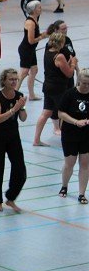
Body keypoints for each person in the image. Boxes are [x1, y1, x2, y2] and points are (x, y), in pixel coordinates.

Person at [0, 69, 28, 212]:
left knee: (20, 169)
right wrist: (13, 109)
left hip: (13, 136)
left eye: (16, 79)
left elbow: (23, 118)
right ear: (4, 81)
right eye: (11, 79)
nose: (14, 82)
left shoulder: (19, 96)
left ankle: (11, 198)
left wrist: (21, 107)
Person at [33, 32, 76, 146]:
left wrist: (67, 64)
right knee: (64, 112)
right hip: (58, 88)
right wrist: (73, 64)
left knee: (46, 112)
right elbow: (69, 74)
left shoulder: (48, 52)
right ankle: (67, 140)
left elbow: (56, 68)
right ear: (61, 42)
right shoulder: (59, 56)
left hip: (48, 86)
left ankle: (36, 140)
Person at [58, 69, 89, 204]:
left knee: (85, 164)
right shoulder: (69, 94)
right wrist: (76, 122)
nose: (86, 86)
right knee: (69, 163)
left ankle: (82, 194)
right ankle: (64, 186)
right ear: (79, 81)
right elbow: (61, 113)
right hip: (70, 133)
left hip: (86, 134)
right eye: (84, 83)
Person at [17, 0, 47, 101]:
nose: (41, 9)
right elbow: (31, 41)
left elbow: (36, 36)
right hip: (26, 49)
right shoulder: (30, 22)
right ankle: (13, 94)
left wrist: (45, 34)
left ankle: (31, 95)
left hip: (31, 49)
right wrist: (42, 37)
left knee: (34, 70)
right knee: (24, 72)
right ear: (34, 10)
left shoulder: (35, 19)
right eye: (39, 7)